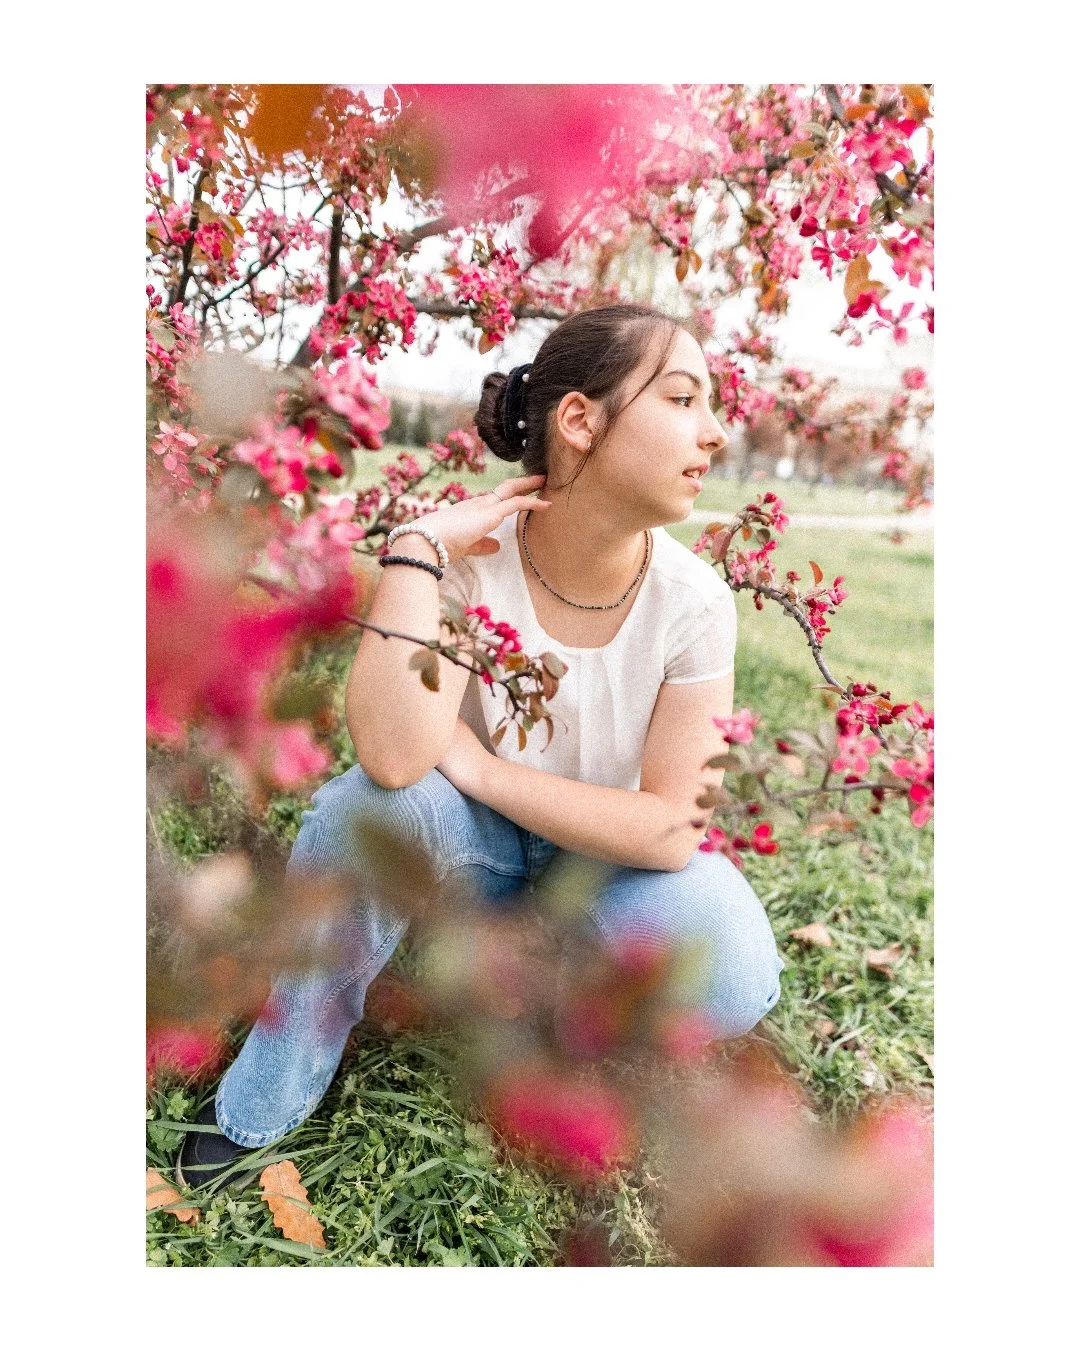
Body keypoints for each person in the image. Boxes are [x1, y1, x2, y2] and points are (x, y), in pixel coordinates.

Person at [178, 303, 784, 1191]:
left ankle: (534, 983)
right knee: (364, 808)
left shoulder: (696, 603)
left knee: (731, 973)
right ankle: (264, 1101)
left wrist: (483, 768)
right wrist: (417, 553)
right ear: (579, 421)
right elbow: (391, 760)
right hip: (476, 853)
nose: (716, 431)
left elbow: (667, 830)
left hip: (605, 863)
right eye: (684, 399)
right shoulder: (468, 560)